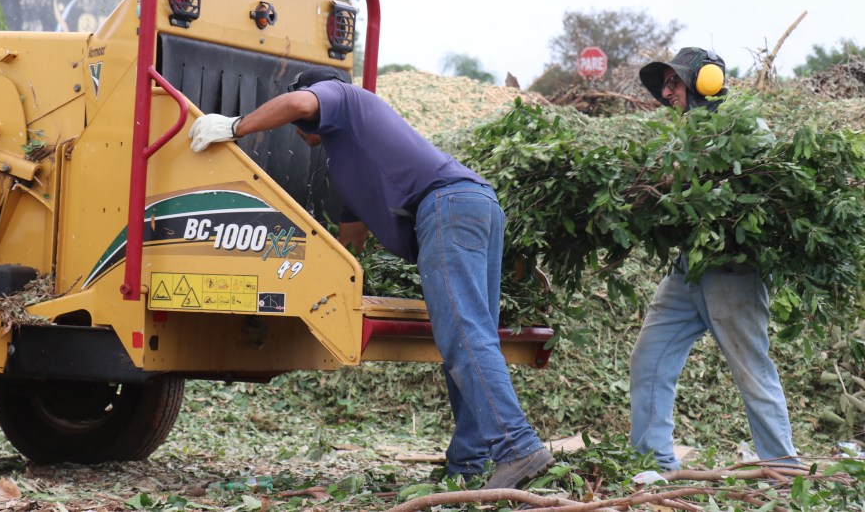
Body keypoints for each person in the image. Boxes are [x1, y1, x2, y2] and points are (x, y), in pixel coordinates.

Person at [189, 65, 554, 490]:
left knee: (464, 336)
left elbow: (296, 103)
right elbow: (350, 245)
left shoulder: (342, 100)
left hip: (448, 208)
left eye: (303, 114)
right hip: (473, 206)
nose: (296, 127)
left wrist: (235, 126)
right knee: (472, 336)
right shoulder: (347, 157)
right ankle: (469, 463)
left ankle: (518, 448)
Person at [632, 47, 799, 471]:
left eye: (673, 82)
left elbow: (765, 182)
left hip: (731, 267)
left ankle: (782, 466)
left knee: (749, 367)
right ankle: (654, 463)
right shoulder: (680, 134)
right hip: (690, 266)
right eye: (664, 84)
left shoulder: (744, 126)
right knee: (649, 356)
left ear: (703, 81)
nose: (666, 93)